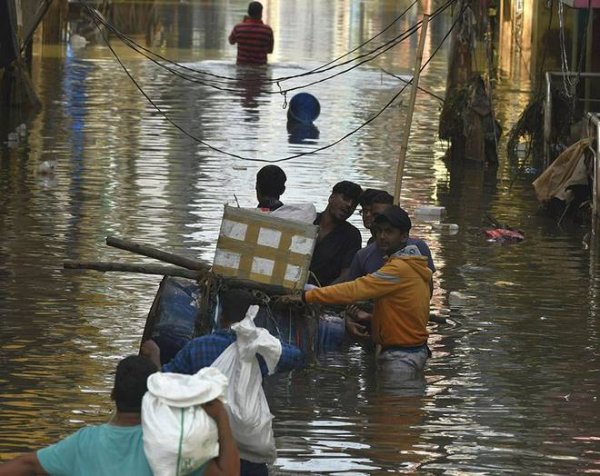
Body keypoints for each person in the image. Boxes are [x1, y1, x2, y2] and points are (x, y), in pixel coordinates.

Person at [142, 288, 304, 476]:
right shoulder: (258, 349)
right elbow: (297, 357)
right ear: (252, 318)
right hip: (248, 448)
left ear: (221, 315)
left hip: (208, 448)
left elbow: (163, 385)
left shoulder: (198, 347)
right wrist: (266, 341)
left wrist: (155, 355)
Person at [0, 356, 240, 476]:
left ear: (113, 394)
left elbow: (26, 464)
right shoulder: (174, 445)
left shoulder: (84, 443)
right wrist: (220, 417)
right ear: (156, 400)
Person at [286, 206, 432, 379]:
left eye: (389, 232)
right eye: (379, 231)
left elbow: (354, 289)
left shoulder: (398, 269)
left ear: (404, 236)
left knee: (394, 405)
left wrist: (307, 296)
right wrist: (372, 318)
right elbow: (407, 310)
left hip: (401, 357)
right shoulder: (415, 264)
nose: (382, 237)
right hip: (411, 350)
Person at [309, 181, 363, 286]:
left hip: (323, 294)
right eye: (345, 199)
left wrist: (321, 295)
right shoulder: (308, 219)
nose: (349, 205)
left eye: (354, 204)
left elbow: (347, 275)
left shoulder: (352, 235)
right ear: (331, 197)